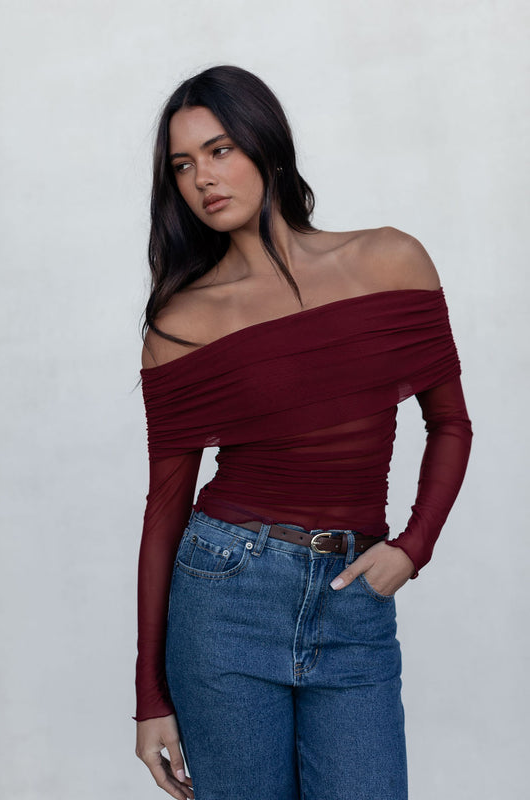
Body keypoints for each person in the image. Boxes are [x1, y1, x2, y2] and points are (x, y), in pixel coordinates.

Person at [133, 64, 472, 800]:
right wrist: (150, 697)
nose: (202, 179)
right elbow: (165, 509)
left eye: (219, 150)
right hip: (225, 594)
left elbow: (449, 421)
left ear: (265, 146)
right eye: (182, 165)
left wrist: (414, 546)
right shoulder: (181, 323)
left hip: (354, 600)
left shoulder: (388, 259)